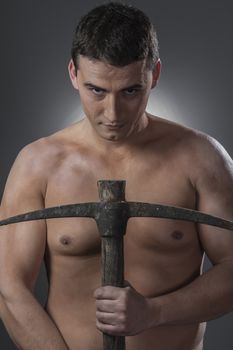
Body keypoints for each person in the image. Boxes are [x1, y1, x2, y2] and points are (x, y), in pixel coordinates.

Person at [0, 2, 233, 349]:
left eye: (130, 91)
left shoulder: (201, 158)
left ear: (153, 75)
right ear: (73, 74)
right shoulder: (38, 165)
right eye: (96, 90)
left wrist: (153, 312)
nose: (112, 113)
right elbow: (9, 288)